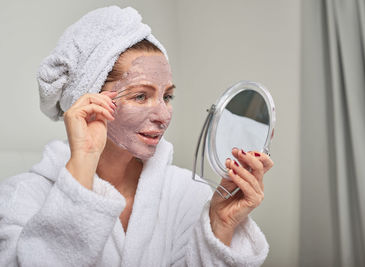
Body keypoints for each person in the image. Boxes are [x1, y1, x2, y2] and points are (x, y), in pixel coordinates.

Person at [0, 6, 273, 266]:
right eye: (140, 96)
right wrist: (82, 163)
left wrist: (221, 226)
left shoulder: (190, 196)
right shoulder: (22, 197)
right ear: (88, 102)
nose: (164, 115)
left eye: (167, 96)